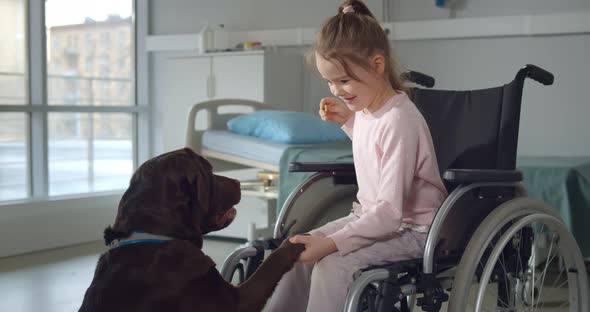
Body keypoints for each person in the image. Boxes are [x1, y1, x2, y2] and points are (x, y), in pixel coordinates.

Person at [266, 1, 448, 311]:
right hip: (373, 219)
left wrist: (332, 243)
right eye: (330, 82)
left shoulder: (400, 120)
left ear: (378, 65)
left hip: (413, 230)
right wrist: (348, 122)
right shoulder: (366, 109)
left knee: (331, 265)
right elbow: (374, 148)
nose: (336, 91)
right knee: (294, 252)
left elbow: (390, 214)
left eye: (344, 80)